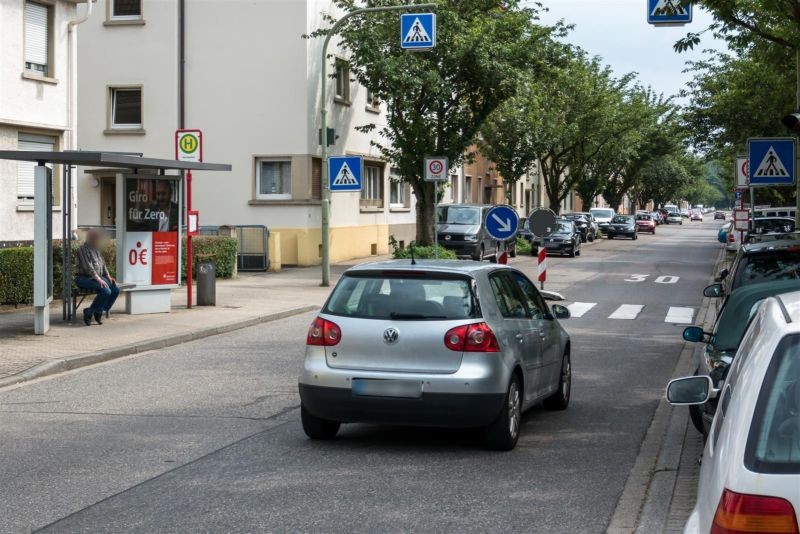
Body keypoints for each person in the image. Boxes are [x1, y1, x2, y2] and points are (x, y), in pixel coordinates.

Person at [75, 229, 119, 326]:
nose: (98, 240)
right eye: (96, 238)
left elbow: (103, 265)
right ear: (91, 238)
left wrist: (108, 277)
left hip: (97, 277)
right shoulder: (82, 249)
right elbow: (87, 267)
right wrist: (99, 279)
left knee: (115, 289)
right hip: (84, 278)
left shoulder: (96, 250)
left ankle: (96, 310)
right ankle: (92, 312)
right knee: (106, 291)